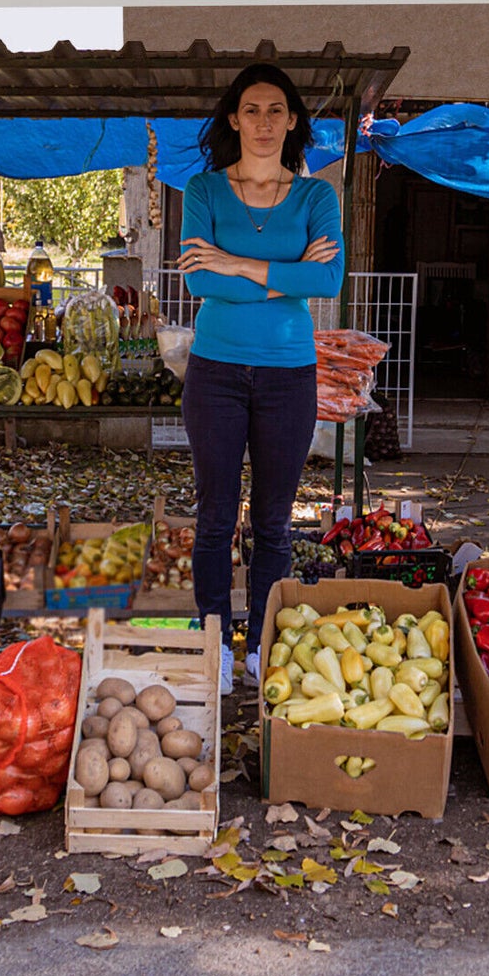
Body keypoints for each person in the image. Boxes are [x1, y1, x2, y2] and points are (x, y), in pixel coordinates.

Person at [178, 64, 344, 695]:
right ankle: (216, 643)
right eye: (252, 109)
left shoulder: (316, 197)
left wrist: (237, 262)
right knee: (215, 517)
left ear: (293, 120)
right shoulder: (203, 190)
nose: (265, 121)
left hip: (288, 376)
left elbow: (326, 280)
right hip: (216, 372)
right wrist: (283, 271)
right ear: (234, 118)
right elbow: (200, 280)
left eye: (277, 110)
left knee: (274, 521)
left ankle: (262, 645)